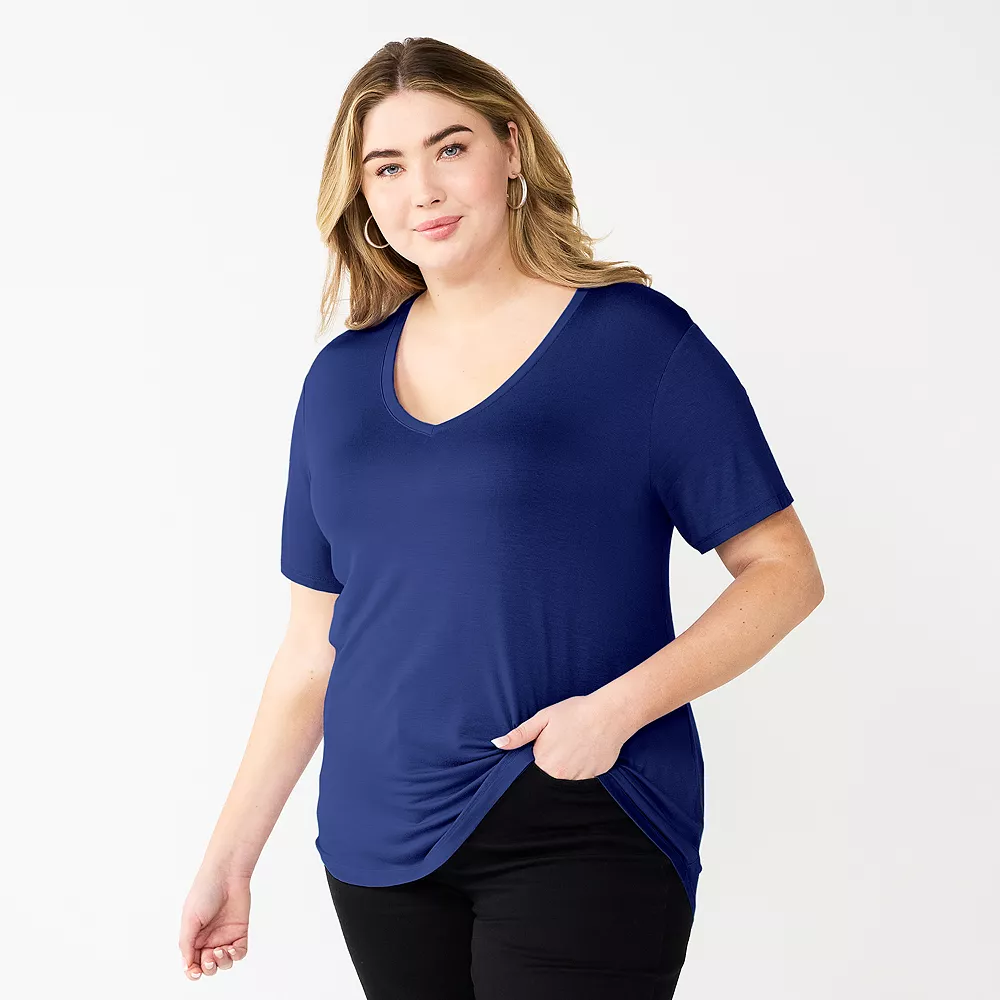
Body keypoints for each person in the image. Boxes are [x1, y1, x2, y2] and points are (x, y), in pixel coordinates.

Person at [178, 36, 824, 999]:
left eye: (450, 148)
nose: (424, 191)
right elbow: (313, 649)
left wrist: (614, 714)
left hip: (580, 815)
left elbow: (784, 570)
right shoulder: (339, 381)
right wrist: (229, 860)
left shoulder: (634, 341)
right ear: (362, 195)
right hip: (375, 841)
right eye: (387, 167)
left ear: (511, 148)